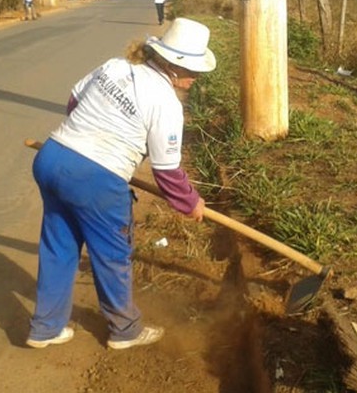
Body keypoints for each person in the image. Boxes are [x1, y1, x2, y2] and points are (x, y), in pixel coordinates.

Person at [25, 18, 216, 350]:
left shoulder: (115, 66)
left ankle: (45, 328)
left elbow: (74, 103)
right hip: (94, 179)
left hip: (53, 158)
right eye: (193, 70)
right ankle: (125, 331)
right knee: (112, 253)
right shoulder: (166, 103)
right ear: (172, 66)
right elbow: (168, 172)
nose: (195, 78)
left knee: (59, 246)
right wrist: (191, 203)